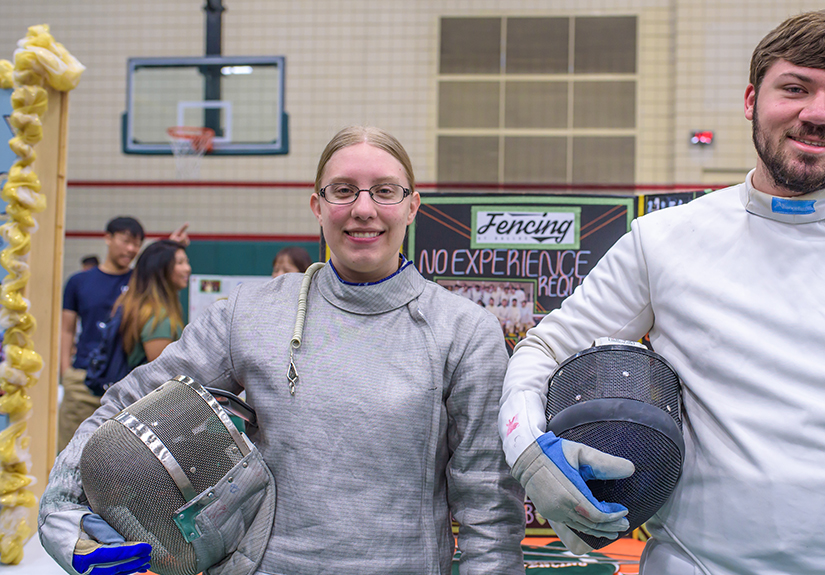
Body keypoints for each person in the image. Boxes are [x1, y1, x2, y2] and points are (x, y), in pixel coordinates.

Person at [499, 10, 825, 575]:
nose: (818, 114)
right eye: (795, 88)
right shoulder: (664, 241)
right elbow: (544, 350)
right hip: (695, 564)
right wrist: (526, 449)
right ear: (750, 99)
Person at [40, 126, 524, 575]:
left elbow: (488, 504)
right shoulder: (251, 312)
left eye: (384, 190)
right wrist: (63, 506)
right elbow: (128, 404)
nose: (363, 208)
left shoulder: (464, 332)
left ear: (412, 206)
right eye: (343, 190)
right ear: (317, 206)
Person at [58, 218, 189, 452]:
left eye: (137, 244)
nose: (131, 249)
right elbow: (66, 328)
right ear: (107, 238)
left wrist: (169, 245)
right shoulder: (79, 281)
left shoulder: (137, 281)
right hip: (82, 382)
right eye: (126, 241)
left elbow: (156, 266)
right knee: (71, 455)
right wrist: (66, 372)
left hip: (121, 388)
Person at [116, 240, 191, 368]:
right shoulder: (159, 319)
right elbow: (160, 373)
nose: (187, 268)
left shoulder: (139, 306)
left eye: (186, 262)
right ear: (161, 269)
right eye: (180, 263)